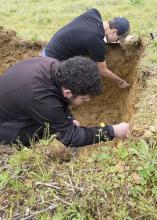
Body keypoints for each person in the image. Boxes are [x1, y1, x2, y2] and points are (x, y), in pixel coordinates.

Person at [0, 56, 129, 147]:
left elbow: (59, 100)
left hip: (17, 102)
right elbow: (71, 137)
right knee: (26, 139)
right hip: (7, 125)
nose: (86, 102)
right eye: (85, 99)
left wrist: (67, 117)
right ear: (68, 92)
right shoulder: (41, 98)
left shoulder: (55, 66)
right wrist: (113, 131)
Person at [43, 8, 130, 88]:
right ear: (114, 32)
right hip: (51, 66)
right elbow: (103, 71)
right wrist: (120, 82)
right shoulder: (96, 41)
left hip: (47, 51)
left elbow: (85, 33)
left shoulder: (93, 13)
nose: (116, 41)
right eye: (118, 39)